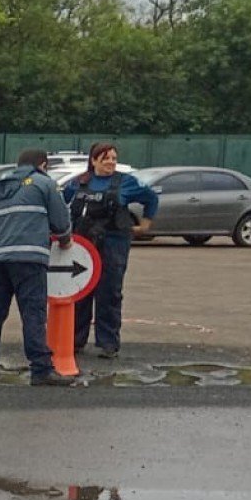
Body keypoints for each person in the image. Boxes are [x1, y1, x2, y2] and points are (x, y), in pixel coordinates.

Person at [0, 148, 77, 387]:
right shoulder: (44, 183)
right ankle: (41, 369)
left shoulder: (0, 187)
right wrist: (65, 239)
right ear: (42, 164)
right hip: (30, 257)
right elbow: (60, 219)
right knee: (33, 313)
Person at [59, 142, 159, 358]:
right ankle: (76, 341)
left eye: (114, 158)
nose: (111, 162)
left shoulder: (126, 182)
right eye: (105, 158)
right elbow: (60, 203)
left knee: (109, 293)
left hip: (113, 243)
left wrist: (145, 224)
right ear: (94, 160)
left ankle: (108, 343)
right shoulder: (79, 183)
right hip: (83, 245)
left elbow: (151, 198)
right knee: (80, 291)